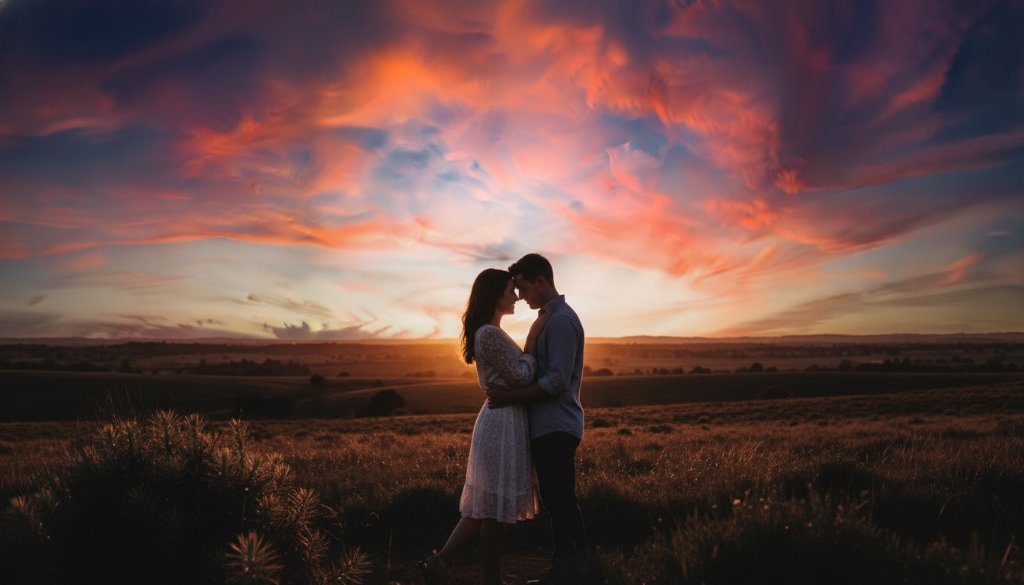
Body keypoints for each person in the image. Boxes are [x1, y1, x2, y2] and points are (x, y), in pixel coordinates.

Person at [420, 268, 542, 585]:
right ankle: (471, 573)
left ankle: (444, 565)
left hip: (505, 419)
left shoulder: (491, 332)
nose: (516, 296)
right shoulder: (489, 333)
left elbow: (513, 376)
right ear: (494, 295)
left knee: (489, 509)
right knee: (490, 509)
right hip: (500, 423)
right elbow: (520, 376)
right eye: (509, 290)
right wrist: (532, 355)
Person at [486, 253, 587, 585]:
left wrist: (508, 398)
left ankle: (571, 571)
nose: (521, 296)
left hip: (556, 425)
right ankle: (570, 568)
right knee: (558, 501)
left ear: (541, 281)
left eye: (524, 287)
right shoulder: (547, 318)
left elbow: (556, 382)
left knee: (561, 501)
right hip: (548, 426)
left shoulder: (559, 322)